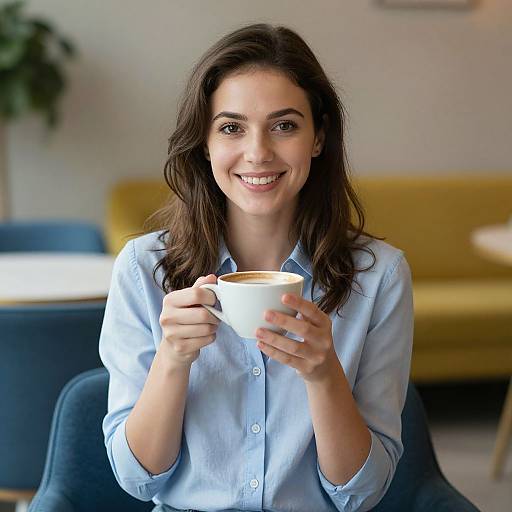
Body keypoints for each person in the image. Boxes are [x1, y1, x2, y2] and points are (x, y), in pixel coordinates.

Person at [99, 23, 413, 512]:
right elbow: (137, 477)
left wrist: (324, 375)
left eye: (285, 125)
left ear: (318, 137)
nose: (258, 152)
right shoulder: (143, 269)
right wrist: (173, 359)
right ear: (204, 143)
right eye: (231, 127)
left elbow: (362, 493)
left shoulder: (380, 277)